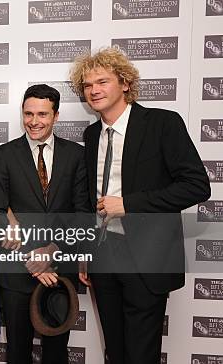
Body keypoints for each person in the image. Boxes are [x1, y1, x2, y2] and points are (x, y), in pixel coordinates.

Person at [69, 47, 210, 363]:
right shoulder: (92, 135)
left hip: (147, 257)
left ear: (125, 83)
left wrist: (129, 205)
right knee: (115, 351)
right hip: (104, 254)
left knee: (141, 354)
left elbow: (197, 186)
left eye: (102, 82)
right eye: (88, 85)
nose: (94, 90)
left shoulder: (162, 123)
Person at [0, 84, 90, 364]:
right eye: (28, 113)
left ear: (56, 116)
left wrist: (52, 251)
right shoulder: (4, 155)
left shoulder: (76, 156)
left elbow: (82, 213)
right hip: (17, 271)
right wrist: (31, 260)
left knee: (56, 351)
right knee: (18, 351)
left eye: (42, 114)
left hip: (60, 270)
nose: (34, 121)